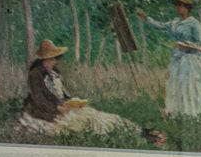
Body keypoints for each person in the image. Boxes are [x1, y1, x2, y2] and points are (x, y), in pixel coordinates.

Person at [11, 39, 139, 141]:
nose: (53, 62)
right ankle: (121, 132)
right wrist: (57, 108)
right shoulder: (35, 75)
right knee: (87, 121)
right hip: (46, 111)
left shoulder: (54, 73)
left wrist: (72, 102)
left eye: (54, 59)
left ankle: (133, 129)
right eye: (50, 59)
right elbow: (39, 99)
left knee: (95, 114)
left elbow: (62, 93)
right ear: (43, 60)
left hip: (62, 107)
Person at [139, 0, 201, 120]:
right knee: (177, 85)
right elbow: (160, 26)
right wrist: (146, 18)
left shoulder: (194, 23)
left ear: (187, 8)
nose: (178, 8)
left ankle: (195, 114)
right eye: (177, 5)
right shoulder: (175, 22)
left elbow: (200, 44)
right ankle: (178, 114)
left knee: (191, 86)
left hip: (192, 60)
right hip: (179, 59)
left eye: (181, 5)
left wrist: (186, 46)